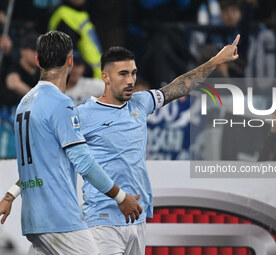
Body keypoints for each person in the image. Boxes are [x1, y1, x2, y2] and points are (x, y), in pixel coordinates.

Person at [1, 33, 240, 254]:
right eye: (123, 74)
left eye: (134, 73)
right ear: (105, 77)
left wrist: (216, 61)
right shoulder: (81, 115)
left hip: (137, 218)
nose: (131, 80)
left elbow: (180, 86)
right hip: (103, 219)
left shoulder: (141, 103)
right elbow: (49, 159)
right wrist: (13, 193)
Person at [0, 30, 142, 255]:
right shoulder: (61, 104)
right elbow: (83, 162)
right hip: (59, 219)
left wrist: (10, 194)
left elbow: (37, 162)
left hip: (34, 220)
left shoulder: (24, 104)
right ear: (70, 60)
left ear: (38, 61)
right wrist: (121, 197)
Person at [49, 0, 102, 78]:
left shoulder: (80, 12)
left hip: (95, 77)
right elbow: (67, 55)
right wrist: (87, 71)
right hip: (81, 79)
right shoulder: (64, 16)